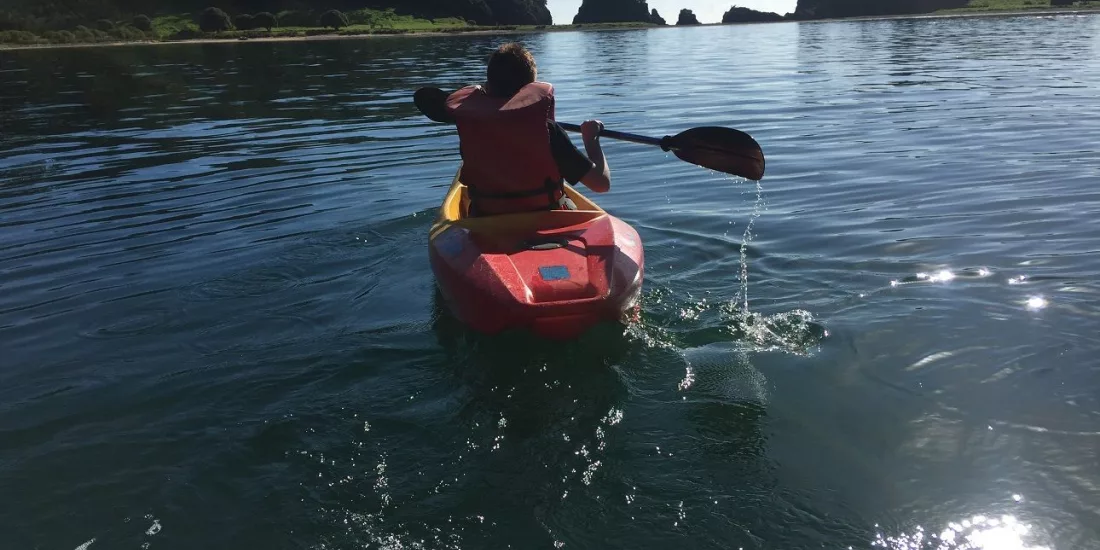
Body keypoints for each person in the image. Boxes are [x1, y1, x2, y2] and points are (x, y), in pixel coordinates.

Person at [444, 42, 611, 217]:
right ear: (530, 89)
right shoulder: (548, 131)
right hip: (546, 219)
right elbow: (601, 184)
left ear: (488, 85)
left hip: (487, 221)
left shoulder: (473, 126)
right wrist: (591, 140)